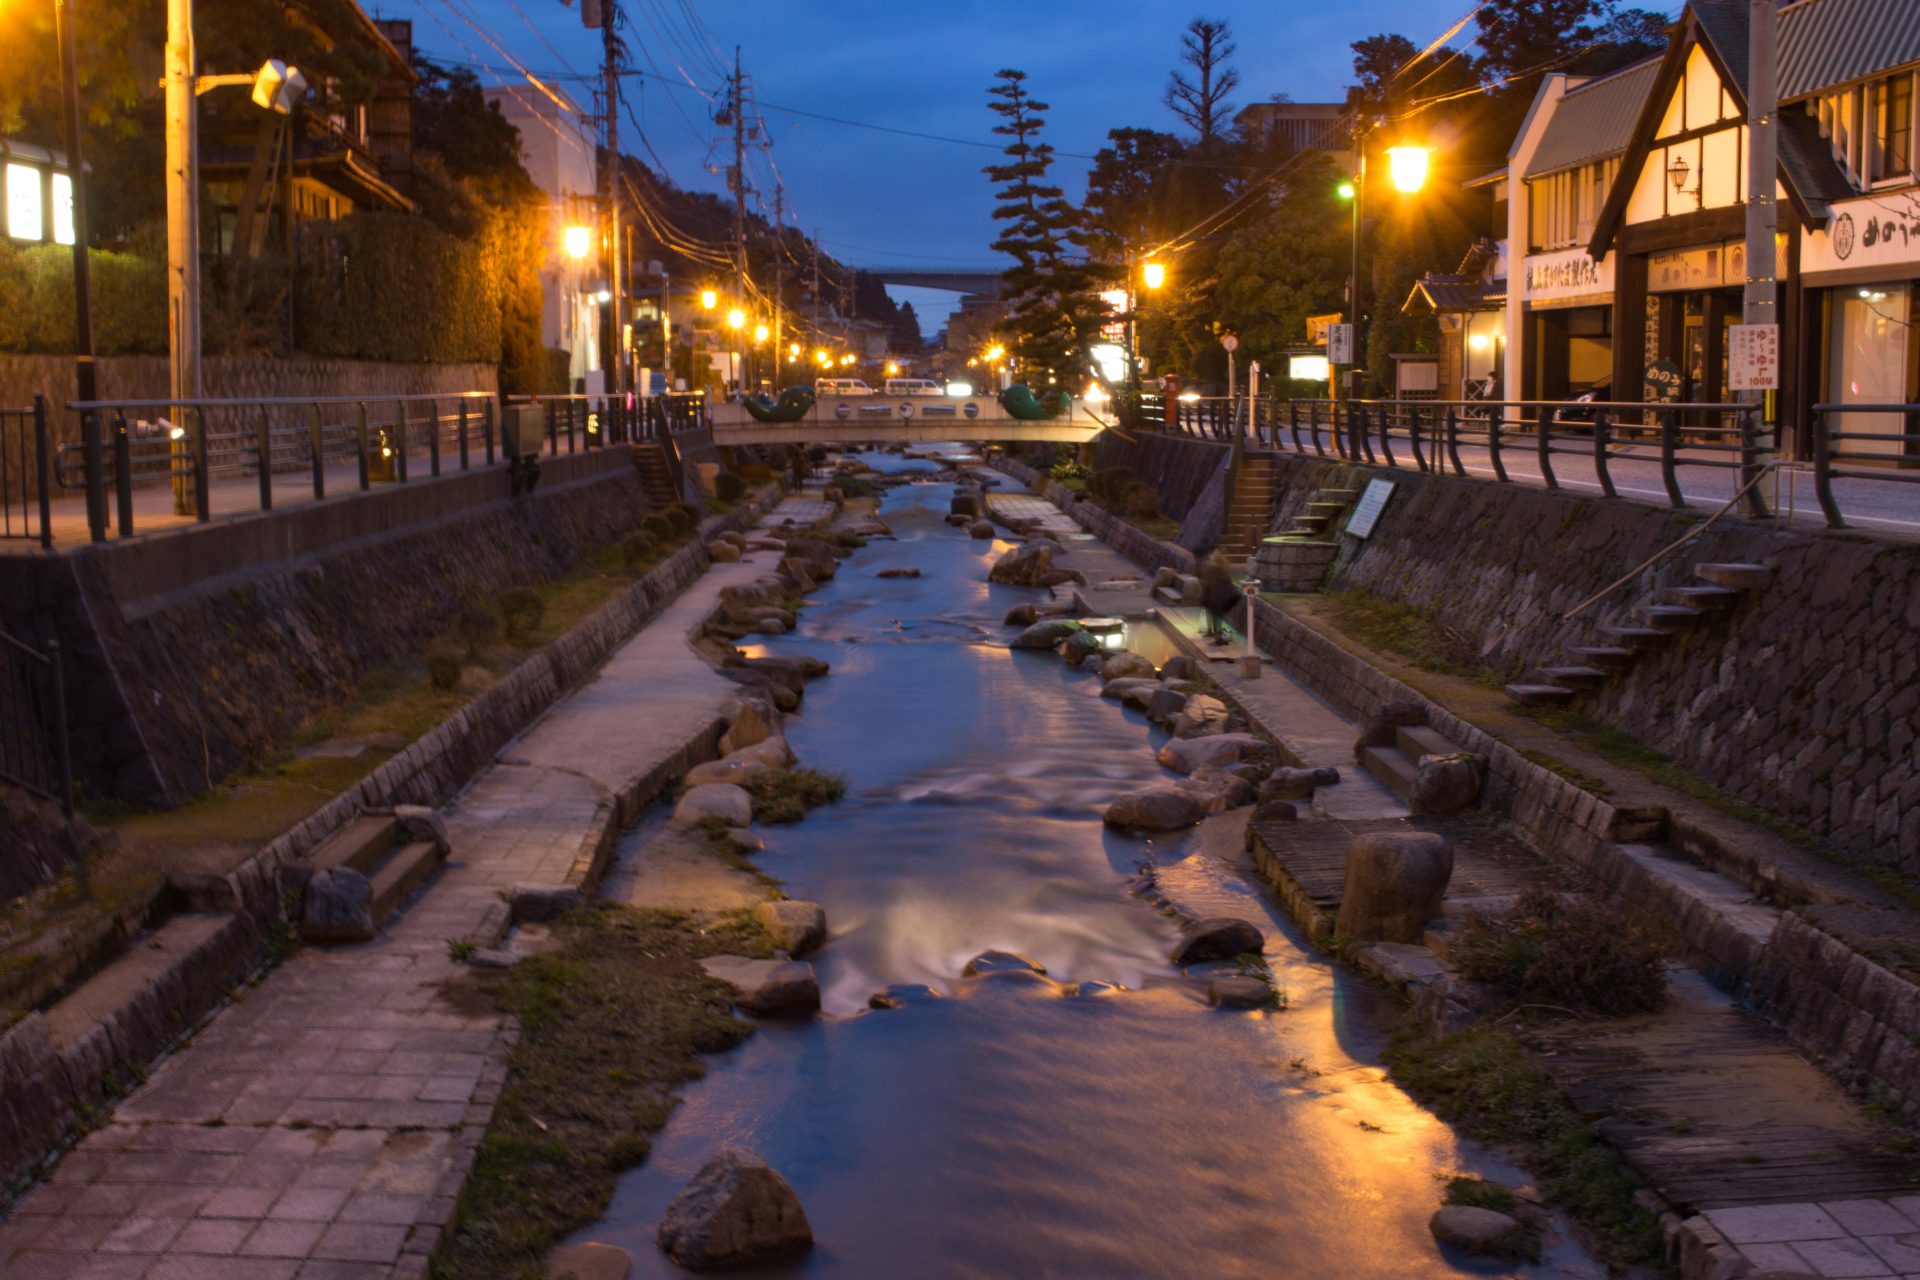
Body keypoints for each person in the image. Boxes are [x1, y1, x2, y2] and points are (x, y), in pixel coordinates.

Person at [1198, 551, 1238, 645]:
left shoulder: (1214, 569)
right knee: (1217, 619)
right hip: (1222, 598)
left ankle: (1219, 639)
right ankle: (1220, 638)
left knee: (1217, 620)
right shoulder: (1223, 569)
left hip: (1218, 599)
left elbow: (1212, 585)